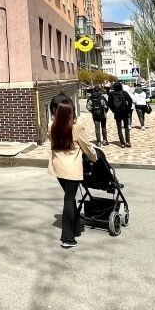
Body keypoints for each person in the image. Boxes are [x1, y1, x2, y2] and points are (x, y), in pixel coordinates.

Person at [47, 99, 100, 249]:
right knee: (69, 199)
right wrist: (95, 158)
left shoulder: (52, 126)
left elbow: (52, 141)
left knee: (69, 198)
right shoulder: (76, 128)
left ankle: (75, 226)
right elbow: (87, 147)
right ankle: (67, 237)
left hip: (57, 168)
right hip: (71, 170)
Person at [108, 83, 134, 147]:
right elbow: (130, 101)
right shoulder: (124, 93)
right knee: (126, 127)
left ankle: (122, 143)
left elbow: (109, 104)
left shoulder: (111, 94)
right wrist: (128, 109)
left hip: (117, 112)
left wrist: (113, 110)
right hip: (125, 111)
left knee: (119, 128)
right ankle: (128, 141)